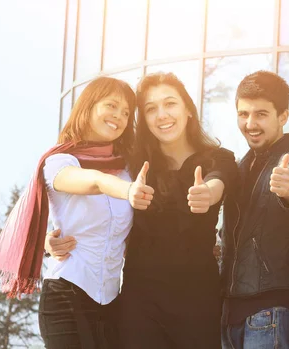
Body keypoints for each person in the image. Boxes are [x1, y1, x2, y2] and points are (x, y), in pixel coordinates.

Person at [45, 72, 238, 348]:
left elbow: (219, 179)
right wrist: (47, 240)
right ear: (144, 121)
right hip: (139, 305)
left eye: (170, 104)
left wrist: (207, 193)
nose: (162, 115)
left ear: (188, 111)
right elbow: (74, 197)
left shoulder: (219, 157)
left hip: (198, 302)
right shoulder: (133, 165)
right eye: (150, 109)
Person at [0, 76, 153, 348]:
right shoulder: (59, 162)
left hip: (112, 304)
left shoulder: (129, 168)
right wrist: (127, 191)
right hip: (65, 297)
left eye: (125, 112)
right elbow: (94, 181)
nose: (119, 117)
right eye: (111, 105)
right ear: (87, 108)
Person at [220, 71, 289, 349]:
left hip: (269, 313)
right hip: (231, 314)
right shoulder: (242, 164)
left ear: (283, 116)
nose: (250, 124)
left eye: (261, 114)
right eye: (243, 114)